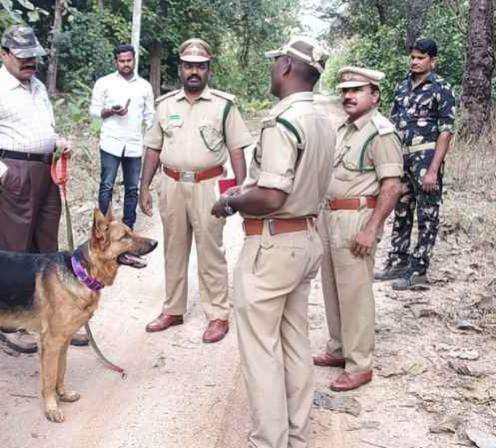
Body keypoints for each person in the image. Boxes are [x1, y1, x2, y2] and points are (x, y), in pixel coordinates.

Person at [212, 36, 333, 447]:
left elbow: (271, 196)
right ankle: (296, 435)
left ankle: (269, 440)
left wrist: (231, 201)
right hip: (306, 238)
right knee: (295, 340)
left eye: (274, 62)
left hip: (273, 243)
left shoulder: (283, 123)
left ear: (285, 67)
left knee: (261, 349)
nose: (271, 69)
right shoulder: (322, 119)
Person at [0, 25, 86, 353]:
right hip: (12, 170)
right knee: (13, 251)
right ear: (4, 54)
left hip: (45, 170)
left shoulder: (38, 87)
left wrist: (57, 143)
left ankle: (52, 317)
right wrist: (3, 172)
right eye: (23, 56)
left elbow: (41, 129)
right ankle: (7, 324)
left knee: (46, 248)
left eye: (34, 56)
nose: (30, 62)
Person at [140, 38, 254, 343]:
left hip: (208, 185)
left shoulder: (224, 105)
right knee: (174, 249)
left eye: (200, 67)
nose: (194, 72)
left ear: (208, 70)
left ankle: (217, 314)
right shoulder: (164, 105)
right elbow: (153, 147)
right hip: (172, 184)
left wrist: (239, 192)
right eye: (189, 65)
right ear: (180, 68)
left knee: (211, 250)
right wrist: (144, 187)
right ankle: (173, 310)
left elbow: (237, 150)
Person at [313, 67, 403, 392]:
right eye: (345, 90)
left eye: (357, 90)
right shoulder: (344, 129)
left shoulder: (381, 133)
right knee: (333, 287)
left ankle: (360, 364)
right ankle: (339, 348)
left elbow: (392, 187)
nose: (348, 96)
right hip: (330, 216)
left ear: (375, 95)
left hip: (357, 218)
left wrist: (371, 228)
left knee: (355, 292)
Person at [375, 38, 456, 290]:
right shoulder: (402, 87)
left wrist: (433, 170)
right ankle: (398, 261)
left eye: (420, 58)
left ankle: (419, 269)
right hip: (401, 157)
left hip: (425, 158)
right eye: (412, 57)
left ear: (432, 60)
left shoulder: (441, 88)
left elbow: (445, 131)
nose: (415, 62)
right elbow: (391, 123)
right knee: (401, 209)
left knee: (427, 213)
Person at [89, 44, 155, 229]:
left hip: (134, 145)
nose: (126, 64)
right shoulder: (104, 83)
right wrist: (110, 111)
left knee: (132, 189)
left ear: (134, 60)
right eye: (122, 61)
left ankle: (128, 227)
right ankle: (102, 228)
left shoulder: (144, 87)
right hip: (111, 143)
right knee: (107, 186)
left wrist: (152, 140)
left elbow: (150, 116)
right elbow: (94, 110)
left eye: (129, 60)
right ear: (115, 62)